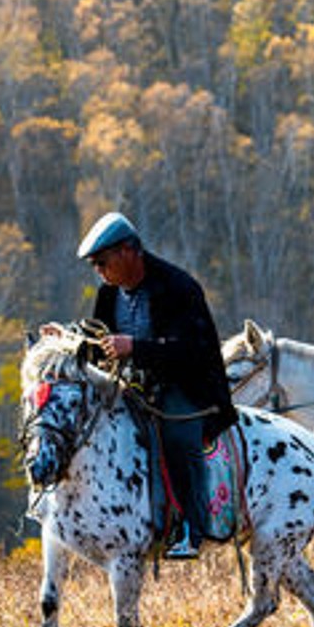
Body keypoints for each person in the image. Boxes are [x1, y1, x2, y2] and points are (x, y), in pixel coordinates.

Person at [78, 211, 236, 559]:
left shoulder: (179, 287)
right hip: (135, 386)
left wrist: (136, 347)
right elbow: (96, 341)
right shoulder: (109, 293)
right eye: (95, 265)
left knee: (176, 436)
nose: (99, 272)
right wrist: (68, 339)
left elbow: (192, 351)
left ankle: (192, 527)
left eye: (103, 262)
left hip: (188, 387)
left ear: (127, 252)